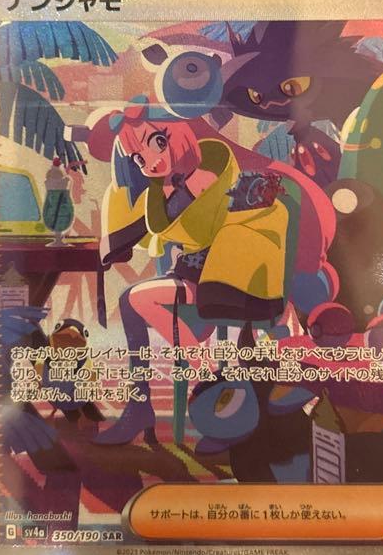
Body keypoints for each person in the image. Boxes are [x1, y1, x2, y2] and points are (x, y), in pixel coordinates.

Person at [91, 102, 289, 445]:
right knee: (131, 302)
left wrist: (162, 195)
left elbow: (188, 228)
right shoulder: (169, 184)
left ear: (177, 135)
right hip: (194, 273)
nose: (150, 161)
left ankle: (202, 373)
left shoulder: (205, 173)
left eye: (156, 143)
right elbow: (157, 224)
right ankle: (147, 402)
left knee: (135, 300)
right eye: (138, 158)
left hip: (219, 275)